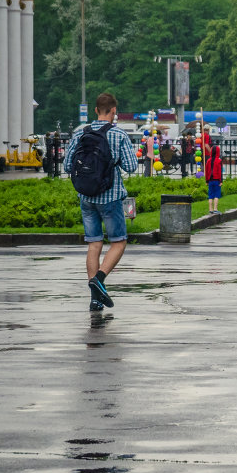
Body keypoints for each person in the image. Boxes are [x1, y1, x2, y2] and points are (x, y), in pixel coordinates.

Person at [63, 92, 139, 312]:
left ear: (96, 110)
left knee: (94, 243)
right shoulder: (118, 135)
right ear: (114, 112)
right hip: (111, 197)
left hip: (86, 197)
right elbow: (131, 166)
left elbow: (68, 166)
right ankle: (99, 279)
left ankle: (95, 299)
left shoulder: (80, 134)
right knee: (119, 242)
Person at [203, 140, 223, 214]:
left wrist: (206, 181)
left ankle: (210, 209)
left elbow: (207, 171)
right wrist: (221, 181)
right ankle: (215, 209)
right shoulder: (219, 161)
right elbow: (220, 172)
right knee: (216, 194)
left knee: (210, 195)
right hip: (217, 180)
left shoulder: (208, 161)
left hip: (210, 180)